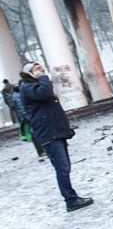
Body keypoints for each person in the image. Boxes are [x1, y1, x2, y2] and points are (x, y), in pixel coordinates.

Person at [19, 62, 93, 212]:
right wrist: (44, 77)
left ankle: (71, 198)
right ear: (29, 73)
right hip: (49, 134)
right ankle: (71, 200)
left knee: (64, 167)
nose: (40, 71)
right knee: (62, 168)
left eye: (41, 69)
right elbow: (45, 93)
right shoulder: (28, 87)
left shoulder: (33, 86)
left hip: (54, 132)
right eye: (36, 69)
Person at [12, 83, 46, 159]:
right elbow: (21, 109)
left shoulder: (16, 95)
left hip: (25, 117)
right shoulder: (18, 96)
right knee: (35, 134)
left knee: (35, 134)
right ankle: (41, 151)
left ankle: (41, 151)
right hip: (27, 117)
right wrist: (28, 117)